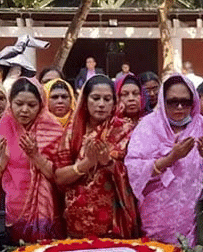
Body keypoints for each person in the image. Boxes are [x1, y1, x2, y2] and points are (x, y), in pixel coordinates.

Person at [125, 74, 203, 246]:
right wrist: (172, 157)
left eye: (185, 102)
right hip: (155, 214)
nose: (179, 107)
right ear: (163, 101)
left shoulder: (202, 126)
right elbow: (134, 167)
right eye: (172, 101)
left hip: (192, 215)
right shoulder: (148, 126)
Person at [0, 77, 65, 243]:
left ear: (41, 105)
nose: (24, 110)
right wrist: (1, 162)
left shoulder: (56, 132)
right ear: (10, 103)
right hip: (7, 222)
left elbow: (62, 179)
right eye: (19, 103)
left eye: (31, 105)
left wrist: (36, 156)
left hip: (47, 221)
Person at [55, 76, 140, 238]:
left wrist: (109, 163)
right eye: (95, 98)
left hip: (115, 221)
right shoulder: (74, 132)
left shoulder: (126, 130)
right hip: (77, 219)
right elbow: (59, 177)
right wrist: (86, 164)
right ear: (85, 102)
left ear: (115, 103)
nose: (101, 104)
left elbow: (137, 175)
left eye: (107, 99)